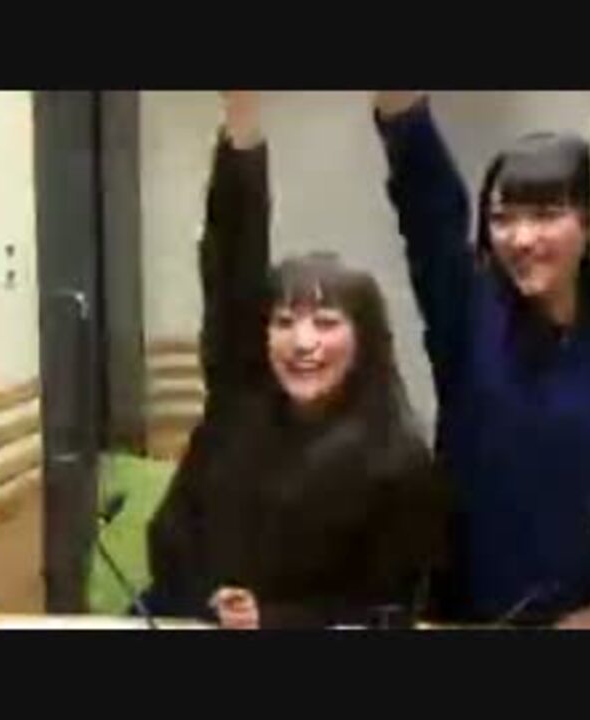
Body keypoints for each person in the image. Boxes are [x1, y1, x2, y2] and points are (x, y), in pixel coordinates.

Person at [372, 92, 590, 629]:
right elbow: (428, 204)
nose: (521, 238)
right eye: (502, 218)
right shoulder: (466, 308)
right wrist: (402, 111)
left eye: (546, 215)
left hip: (567, 610)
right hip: (451, 608)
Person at [144, 91, 448, 630]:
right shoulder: (238, 407)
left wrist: (272, 619)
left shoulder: (397, 461)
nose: (302, 342)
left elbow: (389, 610)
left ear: (365, 340)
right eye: (285, 322)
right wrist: (242, 124)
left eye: (326, 323)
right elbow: (231, 266)